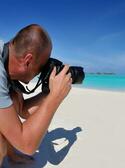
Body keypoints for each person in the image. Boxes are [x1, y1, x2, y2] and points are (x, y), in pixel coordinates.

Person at [0, 24, 72, 165]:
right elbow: (27, 144)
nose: (40, 72)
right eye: (41, 66)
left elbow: (22, 110)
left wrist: (50, 91)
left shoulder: (7, 56)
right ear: (28, 60)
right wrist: (54, 99)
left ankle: (10, 155)